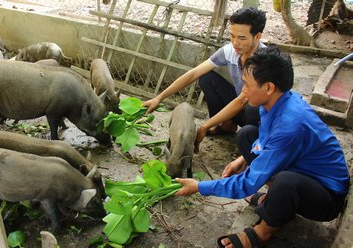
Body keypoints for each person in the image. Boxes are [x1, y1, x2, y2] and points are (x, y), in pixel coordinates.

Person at [174, 46, 350, 248]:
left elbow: (248, 183)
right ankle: (276, 201)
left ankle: (262, 233)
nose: (243, 90)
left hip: (325, 196)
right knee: (247, 135)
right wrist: (243, 158)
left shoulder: (291, 124)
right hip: (303, 169)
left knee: (286, 181)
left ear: (268, 87)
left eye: (247, 85)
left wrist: (199, 186)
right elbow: (265, 139)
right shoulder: (275, 103)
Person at [143, 7, 267, 149]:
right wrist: (159, 98)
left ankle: (253, 140)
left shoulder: (265, 61)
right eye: (232, 36)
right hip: (241, 104)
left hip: (257, 114)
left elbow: (241, 101)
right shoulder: (229, 51)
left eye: (241, 38)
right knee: (207, 78)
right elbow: (194, 73)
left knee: (250, 117)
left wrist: (204, 127)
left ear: (257, 36)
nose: (235, 43)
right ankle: (225, 126)